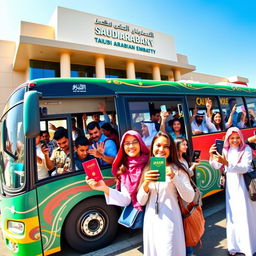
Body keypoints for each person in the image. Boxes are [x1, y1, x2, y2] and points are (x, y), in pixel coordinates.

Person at [137, 131, 195, 256]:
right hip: (151, 222)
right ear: (152, 147)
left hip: (171, 222)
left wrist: (175, 178)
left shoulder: (178, 169)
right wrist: (146, 183)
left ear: (171, 149)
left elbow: (189, 197)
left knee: (169, 250)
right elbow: (141, 201)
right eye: (158, 145)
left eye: (166, 146)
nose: (161, 149)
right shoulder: (147, 169)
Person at [209, 127, 256, 256]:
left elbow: (245, 168)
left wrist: (227, 163)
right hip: (231, 188)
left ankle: (248, 247)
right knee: (233, 216)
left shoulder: (246, 149)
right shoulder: (225, 150)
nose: (234, 140)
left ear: (240, 138)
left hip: (243, 187)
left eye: (237, 138)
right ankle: (234, 246)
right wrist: (211, 155)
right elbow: (216, 166)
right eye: (231, 138)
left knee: (245, 216)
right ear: (228, 139)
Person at [86, 130, 149, 211]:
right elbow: (126, 200)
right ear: (123, 147)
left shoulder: (150, 163)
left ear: (141, 143)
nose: (131, 146)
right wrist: (104, 188)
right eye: (127, 143)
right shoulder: (123, 167)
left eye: (135, 142)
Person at [174, 137, 201, 256]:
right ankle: (188, 253)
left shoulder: (183, 159)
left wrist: (193, 166)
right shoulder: (176, 163)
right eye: (183, 144)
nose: (186, 146)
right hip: (182, 198)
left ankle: (189, 251)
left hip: (188, 194)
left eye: (186, 144)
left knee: (187, 223)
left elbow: (186, 176)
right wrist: (192, 168)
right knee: (187, 224)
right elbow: (183, 177)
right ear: (177, 146)